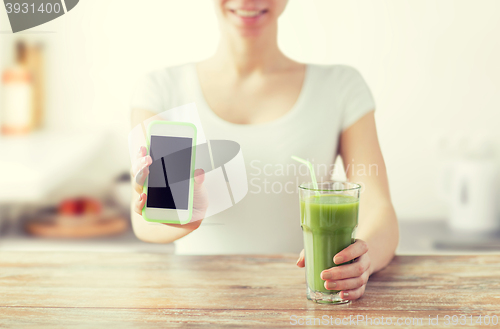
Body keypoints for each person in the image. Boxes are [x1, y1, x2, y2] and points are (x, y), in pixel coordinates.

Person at [130, 0, 399, 301]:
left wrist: (363, 259)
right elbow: (142, 218)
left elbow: (379, 208)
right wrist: (182, 218)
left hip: (303, 299)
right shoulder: (161, 88)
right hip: (193, 303)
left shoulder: (340, 86)